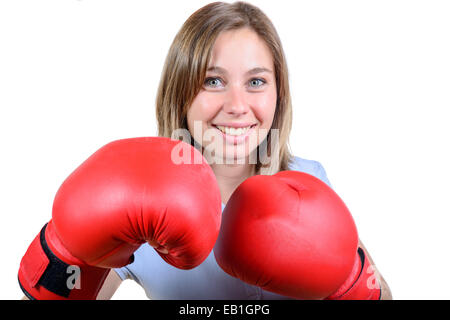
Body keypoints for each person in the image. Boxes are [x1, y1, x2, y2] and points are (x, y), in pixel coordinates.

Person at [20, 1, 392, 300]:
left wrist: (347, 284)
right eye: (213, 81)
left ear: (279, 95)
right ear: (180, 93)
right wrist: (67, 245)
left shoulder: (308, 180)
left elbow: (382, 296)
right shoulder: (142, 198)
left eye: (257, 81)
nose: (236, 105)